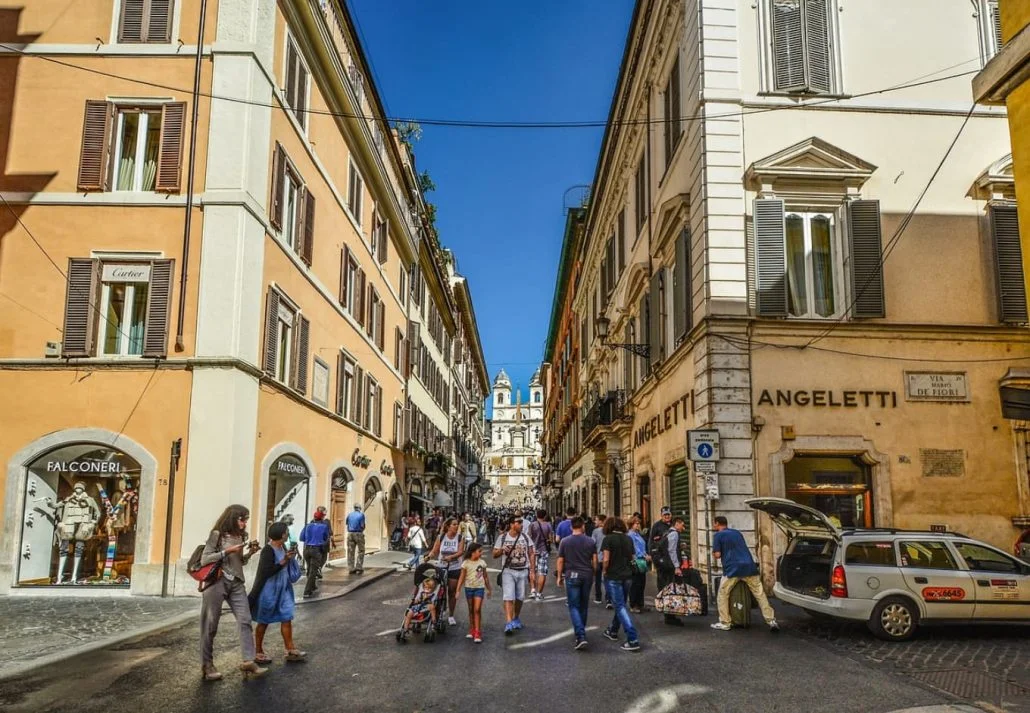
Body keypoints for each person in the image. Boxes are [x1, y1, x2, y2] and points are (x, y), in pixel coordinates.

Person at [198, 504, 265, 681]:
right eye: (242, 519)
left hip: (236, 582)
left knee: (245, 620)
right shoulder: (217, 535)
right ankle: (207, 664)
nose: (244, 523)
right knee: (210, 625)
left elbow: (239, 561)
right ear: (232, 518)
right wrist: (227, 551)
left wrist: (249, 554)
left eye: (246, 520)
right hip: (217, 582)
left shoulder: (241, 536)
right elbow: (205, 559)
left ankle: (248, 661)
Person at [710, 515, 780, 632]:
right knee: (760, 594)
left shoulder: (718, 535)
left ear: (717, 523)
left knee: (722, 594)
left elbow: (717, 555)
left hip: (732, 568)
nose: (713, 525)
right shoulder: (737, 533)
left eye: (714, 523)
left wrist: (714, 553)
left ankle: (725, 622)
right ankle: (771, 620)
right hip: (749, 566)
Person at [249, 522, 305, 664]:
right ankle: (258, 651)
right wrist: (284, 561)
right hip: (269, 590)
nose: (288, 534)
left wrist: (289, 558)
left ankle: (290, 648)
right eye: (286, 532)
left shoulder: (283, 547)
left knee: (287, 617)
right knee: (263, 621)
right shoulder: (268, 550)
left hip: (284, 588)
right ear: (281, 534)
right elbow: (266, 571)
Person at [555, 517, 597, 651]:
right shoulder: (590, 541)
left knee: (573, 605)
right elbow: (594, 561)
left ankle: (580, 635)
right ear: (583, 526)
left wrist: (559, 576)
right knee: (584, 605)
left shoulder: (565, 541)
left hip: (571, 575)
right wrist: (594, 572)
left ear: (571, 527)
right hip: (587, 575)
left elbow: (560, 560)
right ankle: (581, 631)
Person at [600, 517, 641, 652]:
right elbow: (633, 557)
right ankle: (612, 630)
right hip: (628, 576)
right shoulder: (628, 539)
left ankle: (632, 639)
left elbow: (606, 559)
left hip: (614, 576)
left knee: (620, 606)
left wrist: (604, 570)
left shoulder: (608, 539)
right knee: (620, 605)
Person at [493, 515, 535, 635]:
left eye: (521, 522)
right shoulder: (502, 537)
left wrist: (532, 570)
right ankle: (509, 622)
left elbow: (531, 553)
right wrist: (502, 550)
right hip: (508, 571)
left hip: (523, 570)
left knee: (520, 597)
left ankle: (516, 617)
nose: (521, 524)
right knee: (508, 596)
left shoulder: (525, 537)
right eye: (518, 522)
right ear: (511, 524)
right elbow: (494, 554)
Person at [428, 517, 465, 626]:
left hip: (455, 568)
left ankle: (451, 615)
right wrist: (428, 557)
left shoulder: (460, 538)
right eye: (454, 524)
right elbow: (434, 551)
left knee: (452, 592)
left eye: (457, 524)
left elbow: (460, 552)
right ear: (448, 526)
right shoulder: (441, 537)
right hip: (441, 567)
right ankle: (438, 611)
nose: (456, 526)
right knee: (438, 590)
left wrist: (451, 557)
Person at [654, 516, 687, 626]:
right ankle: (670, 616)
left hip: (664, 566)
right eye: (682, 525)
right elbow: (671, 551)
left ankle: (669, 615)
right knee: (670, 590)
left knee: (667, 589)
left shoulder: (667, 533)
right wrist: (677, 567)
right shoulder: (674, 534)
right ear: (677, 523)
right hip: (669, 567)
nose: (683, 528)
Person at [455, 542, 491, 643]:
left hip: (479, 588)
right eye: (479, 551)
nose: (481, 553)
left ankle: (478, 632)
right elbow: (461, 577)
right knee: (471, 609)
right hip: (469, 588)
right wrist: (458, 590)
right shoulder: (465, 563)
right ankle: (472, 629)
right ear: (473, 552)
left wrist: (489, 589)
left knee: (477, 609)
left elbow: (485, 577)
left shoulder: (482, 563)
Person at [299, 509, 332, 598]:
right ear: (321, 519)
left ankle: (312, 586)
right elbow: (326, 538)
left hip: (307, 549)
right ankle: (307, 591)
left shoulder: (307, 526)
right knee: (313, 571)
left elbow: (301, 538)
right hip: (316, 550)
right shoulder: (324, 527)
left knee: (309, 568)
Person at [400, 570, 440, 640]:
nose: (427, 589)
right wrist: (417, 600)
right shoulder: (421, 593)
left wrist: (427, 598)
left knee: (432, 607)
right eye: (425, 588)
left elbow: (433, 601)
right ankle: (405, 628)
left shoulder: (433, 595)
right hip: (418, 607)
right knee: (409, 613)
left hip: (426, 607)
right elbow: (416, 599)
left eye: (429, 588)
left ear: (433, 589)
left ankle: (434, 620)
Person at [528, 509, 553, 600]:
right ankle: (539, 593)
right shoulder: (548, 525)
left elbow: (529, 537)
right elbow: (551, 539)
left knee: (532, 570)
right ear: (545, 516)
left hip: (533, 550)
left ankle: (533, 590)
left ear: (536, 515)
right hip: (543, 551)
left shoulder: (532, 525)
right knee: (542, 572)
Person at [627, 516, 650, 613]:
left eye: (639, 523)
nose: (638, 525)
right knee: (635, 583)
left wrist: (645, 555)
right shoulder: (630, 535)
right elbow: (634, 548)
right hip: (636, 560)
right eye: (636, 523)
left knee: (641, 583)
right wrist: (644, 555)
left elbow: (642, 546)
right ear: (631, 524)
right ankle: (633, 604)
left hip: (642, 561)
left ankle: (640, 604)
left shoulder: (638, 534)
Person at [591, 514, 607, 605]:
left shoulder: (595, 531)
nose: (595, 522)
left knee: (597, 579)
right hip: (607, 558)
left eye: (596, 520)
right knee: (607, 579)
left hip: (598, 558)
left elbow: (592, 544)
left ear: (601, 521)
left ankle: (598, 597)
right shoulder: (609, 531)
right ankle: (608, 599)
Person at [346, 504, 366, 574]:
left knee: (350, 551)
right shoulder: (361, 515)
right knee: (361, 550)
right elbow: (362, 525)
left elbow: (347, 524)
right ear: (359, 508)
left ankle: (351, 568)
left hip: (350, 534)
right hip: (358, 533)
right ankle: (359, 566)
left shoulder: (349, 515)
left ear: (354, 508)